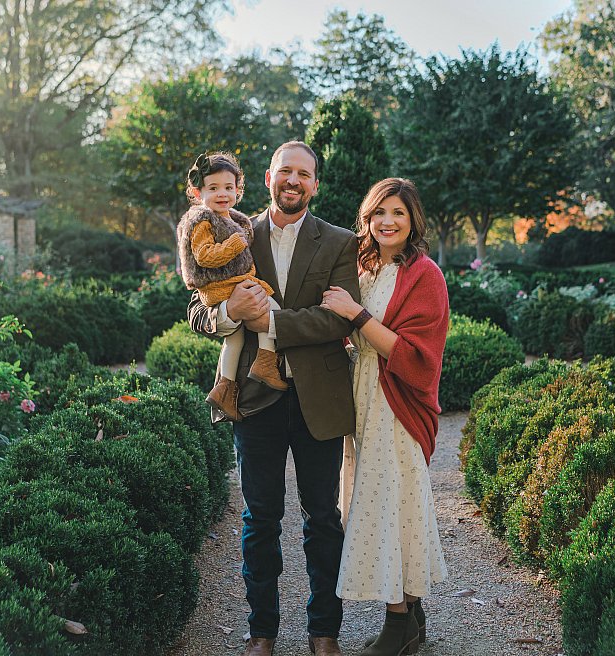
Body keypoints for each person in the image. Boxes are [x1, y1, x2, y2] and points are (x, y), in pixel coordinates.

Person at [187, 141, 360, 656]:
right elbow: (199, 310)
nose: (294, 181)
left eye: (303, 174)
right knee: (259, 519)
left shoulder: (340, 242)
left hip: (319, 399)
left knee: (323, 518)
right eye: (285, 171)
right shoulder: (231, 230)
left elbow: (337, 319)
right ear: (266, 178)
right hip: (254, 399)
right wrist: (231, 312)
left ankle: (324, 631)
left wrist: (272, 322)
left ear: (315, 184)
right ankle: (261, 632)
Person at [320, 178, 449, 656]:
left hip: (397, 405)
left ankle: (397, 624)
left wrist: (355, 317)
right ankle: (412, 619)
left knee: (393, 507)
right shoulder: (364, 267)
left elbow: (416, 356)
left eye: (397, 212)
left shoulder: (424, 275)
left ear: (412, 218)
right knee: (379, 504)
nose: (387, 222)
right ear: (367, 219)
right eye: (378, 214)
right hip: (364, 398)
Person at [178, 151, 287, 423]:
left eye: (229, 187)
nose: (222, 194)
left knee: (234, 338)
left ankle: (225, 387)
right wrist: (235, 244)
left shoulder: (233, 219)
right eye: (213, 188)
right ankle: (265, 361)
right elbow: (204, 256)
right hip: (223, 287)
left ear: (238, 189)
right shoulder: (202, 220)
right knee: (270, 306)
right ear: (197, 191)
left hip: (231, 284)